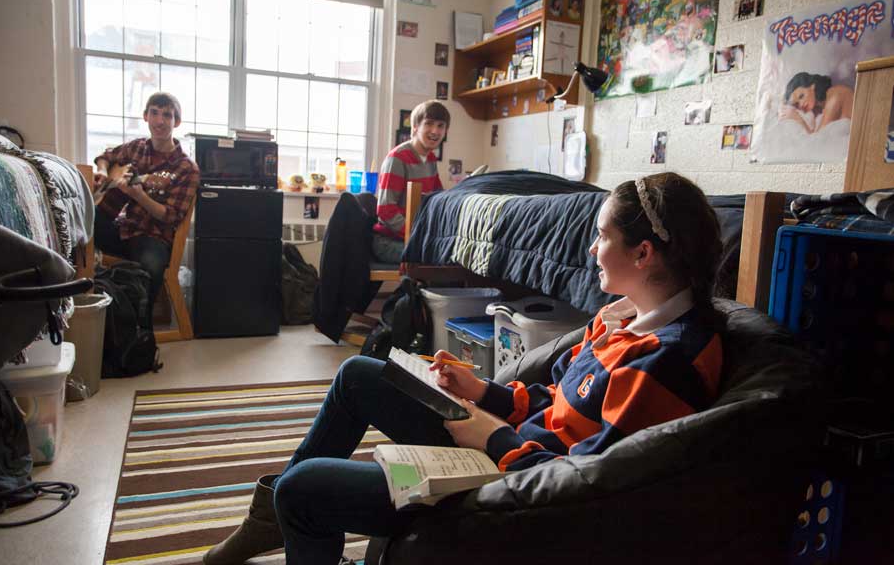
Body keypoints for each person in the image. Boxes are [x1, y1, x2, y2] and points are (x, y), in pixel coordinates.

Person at [203, 171, 725, 565]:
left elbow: (586, 488)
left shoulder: (662, 362)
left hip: (516, 487)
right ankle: (273, 516)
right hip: (509, 446)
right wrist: (486, 392)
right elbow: (559, 403)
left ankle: (285, 508)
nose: (590, 249)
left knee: (307, 487)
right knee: (360, 374)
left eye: (601, 236)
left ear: (643, 254)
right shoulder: (622, 320)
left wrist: (492, 436)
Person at [92, 92, 199, 329]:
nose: (160, 121)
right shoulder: (137, 147)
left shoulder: (186, 168)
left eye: (167, 115)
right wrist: (101, 171)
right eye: (155, 113)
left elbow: (170, 216)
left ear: (176, 122)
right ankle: (82, 312)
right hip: (123, 230)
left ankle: (137, 330)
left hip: (154, 237)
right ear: (146, 116)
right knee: (79, 221)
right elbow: (106, 156)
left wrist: (139, 196)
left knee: (149, 266)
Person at [371, 100, 446, 263]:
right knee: (440, 258)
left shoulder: (431, 159)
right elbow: (386, 211)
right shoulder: (398, 159)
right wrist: (417, 234)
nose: (435, 130)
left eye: (441, 126)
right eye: (429, 124)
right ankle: (414, 289)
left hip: (413, 237)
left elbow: (438, 199)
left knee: (453, 255)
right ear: (415, 127)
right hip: (388, 242)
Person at [779, 72, 854, 134]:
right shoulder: (818, 111)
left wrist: (799, 120)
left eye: (801, 96)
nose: (801, 104)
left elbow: (819, 140)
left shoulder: (835, 95)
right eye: (797, 104)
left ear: (812, 86)